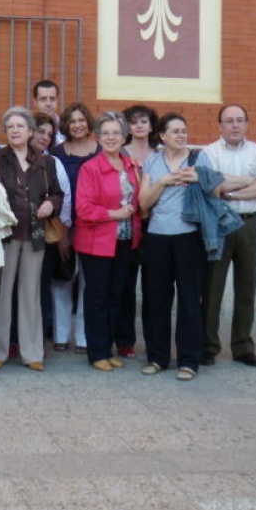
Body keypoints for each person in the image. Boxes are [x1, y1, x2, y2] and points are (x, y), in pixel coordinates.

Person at [138, 113, 214, 381]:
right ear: (162, 136)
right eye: (175, 131)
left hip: (189, 237)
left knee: (190, 301)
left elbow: (214, 191)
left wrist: (197, 179)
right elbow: (144, 203)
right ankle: (157, 357)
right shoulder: (152, 161)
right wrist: (163, 181)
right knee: (156, 299)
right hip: (158, 237)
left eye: (184, 130)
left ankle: (188, 360)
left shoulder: (199, 158)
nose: (181, 135)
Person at [0, 107, 62, 371]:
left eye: (21, 126)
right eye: (10, 127)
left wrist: (50, 205)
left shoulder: (46, 162)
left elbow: (57, 193)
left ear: (31, 132)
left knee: (30, 293)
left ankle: (32, 352)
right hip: (6, 234)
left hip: (35, 234)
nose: (15, 130)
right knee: (1, 292)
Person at [201, 104, 256, 367]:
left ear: (247, 124)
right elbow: (211, 185)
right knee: (212, 288)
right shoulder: (209, 153)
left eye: (240, 120)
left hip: (250, 225)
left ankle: (243, 347)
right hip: (218, 226)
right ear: (220, 125)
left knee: (247, 287)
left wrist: (230, 191)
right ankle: (207, 346)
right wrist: (248, 181)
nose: (235, 125)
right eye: (229, 120)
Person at [73, 112, 141, 372]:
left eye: (116, 133)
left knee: (117, 297)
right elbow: (84, 209)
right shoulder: (90, 168)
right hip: (96, 243)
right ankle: (96, 351)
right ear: (98, 138)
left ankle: (109, 347)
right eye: (106, 133)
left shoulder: (132, 164)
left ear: (125, 137)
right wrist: (114, 214)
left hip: (125, 240)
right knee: (98, 298)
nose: (111, 137)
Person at [50, 102, 98, 354]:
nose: (78, 125)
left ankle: (83, 336)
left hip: (93, 226)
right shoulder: (57, 153)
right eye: (73, 121)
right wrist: (61, 230)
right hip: (64, 224)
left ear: (88, 123)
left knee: (89, 281)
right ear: (66, 125)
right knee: (62, 278)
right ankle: (60, 335)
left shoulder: (100, 151)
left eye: (82, 120)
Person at [118, 104, 159, 359]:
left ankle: (154, 340)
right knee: (126, 285)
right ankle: (125, 340)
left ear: (152, 126)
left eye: (144, 121)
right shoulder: (120, 154)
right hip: (128, 223)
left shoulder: (160, 154)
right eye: (134, 122)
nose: (139, 126)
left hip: (155, 225)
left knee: (154, 286)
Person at [33, 113, 73, 351]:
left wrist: (63, 234)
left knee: (42, 287)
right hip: (15, 234)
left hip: (45, 235)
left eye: (49, 134)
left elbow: (64, 198)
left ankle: (38, 339)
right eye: (40, 131)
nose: (45, 137)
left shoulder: (53, 163)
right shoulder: (6, 158)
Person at [32, 80, 64, 145]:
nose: (48, 104)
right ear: (35, 102)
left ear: (57, 101)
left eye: (52, 99)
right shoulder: (28, 128)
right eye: (43, 99)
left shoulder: (66, 127)